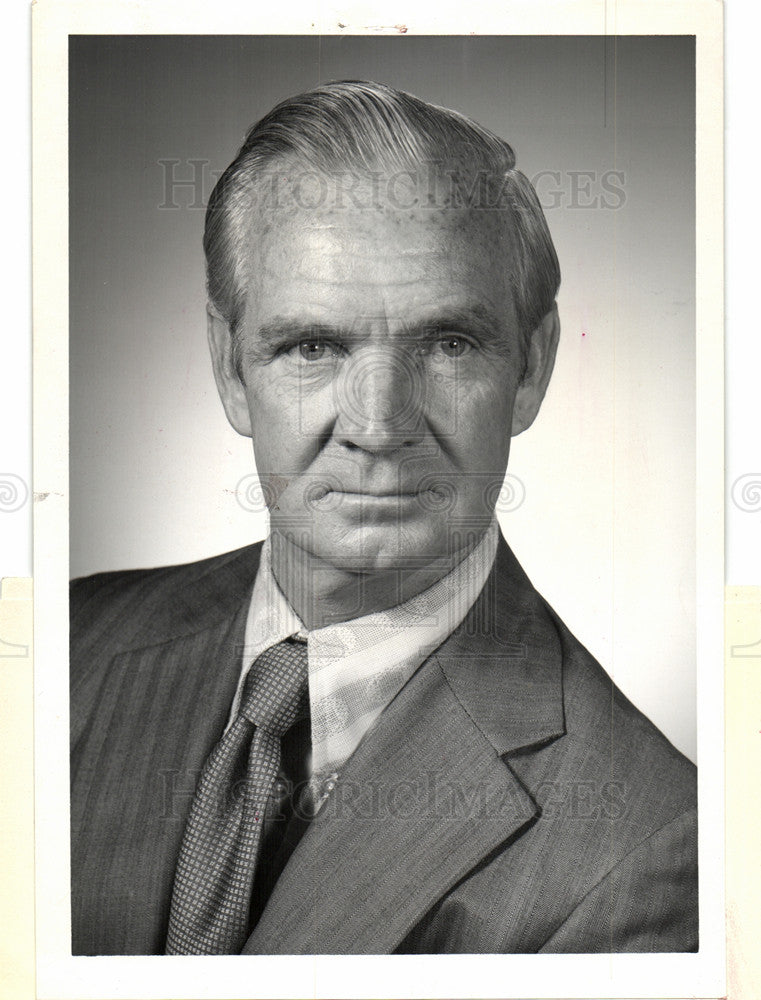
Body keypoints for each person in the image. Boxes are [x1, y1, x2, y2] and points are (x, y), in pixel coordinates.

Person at [70, 80, 697, 955]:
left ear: (529, 368)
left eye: (447, 345)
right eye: (312, 347)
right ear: (228, 368)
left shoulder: (648, 844)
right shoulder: (61, 646)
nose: (377, 427)